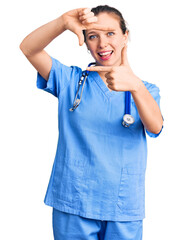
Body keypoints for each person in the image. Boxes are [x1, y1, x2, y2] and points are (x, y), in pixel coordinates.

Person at [20, 5, 163, 240]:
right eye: (93, 36)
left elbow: (155, 126)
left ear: (126, 36)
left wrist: (135, 85)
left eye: (110, 33)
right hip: (73, 203)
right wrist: (63, 22)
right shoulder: (70, 81)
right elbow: (28, 48)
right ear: (85, 43)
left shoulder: (146, 90)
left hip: (122, 206)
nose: (102, 44)